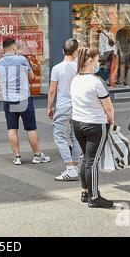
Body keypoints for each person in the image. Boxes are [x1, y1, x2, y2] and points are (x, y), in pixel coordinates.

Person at [71, 47, 115, 208]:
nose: (98, 63)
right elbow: (108, 107)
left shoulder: (75, 79)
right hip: (95, 124)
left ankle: (85, 192)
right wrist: (111, 121)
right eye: (97, 60)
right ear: (90, 61)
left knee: (85, 159)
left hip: (77, 123)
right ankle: (94, 197)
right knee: (92, 162)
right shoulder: (96, 82)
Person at [0, 38, 50, 165]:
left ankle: (17, 157)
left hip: (9, 99)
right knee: (30, 128)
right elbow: (31, 77)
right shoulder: (22, 60)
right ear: (14, 48)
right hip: (23, 98)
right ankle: (37, 155)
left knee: (12, 129)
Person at [47, 38, 82, 181]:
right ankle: (74, 166)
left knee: (59, 136)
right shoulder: (79, 68)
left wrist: (49, 107)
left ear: (63, 50)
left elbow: (51, 91)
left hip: (63, 106)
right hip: (77, 105)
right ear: (75, 52)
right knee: (76, 137)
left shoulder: (57, 68)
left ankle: (70, 168)